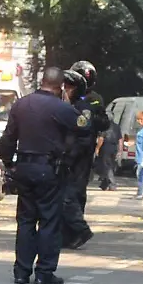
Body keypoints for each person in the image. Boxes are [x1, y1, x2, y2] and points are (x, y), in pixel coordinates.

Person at [0, 68, 77, 284]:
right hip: (49, 169)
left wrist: (9, 164)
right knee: (49, 221)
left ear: (42, 81)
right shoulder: (62, 108)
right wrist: (68, 102)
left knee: (25, 220)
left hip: (23, 168)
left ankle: (21, 272)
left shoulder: (21, 104)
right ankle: (44, 273)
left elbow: (7, 139)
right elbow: (83, 127)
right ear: (60, 85)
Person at [59, 61, 104, 249]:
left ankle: (78, 230)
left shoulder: (83, 103)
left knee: (70, 194)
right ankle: (69, 233)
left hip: (78, 153)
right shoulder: (89, 101)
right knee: (75, 192)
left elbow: (92, 127)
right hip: (81, 152)